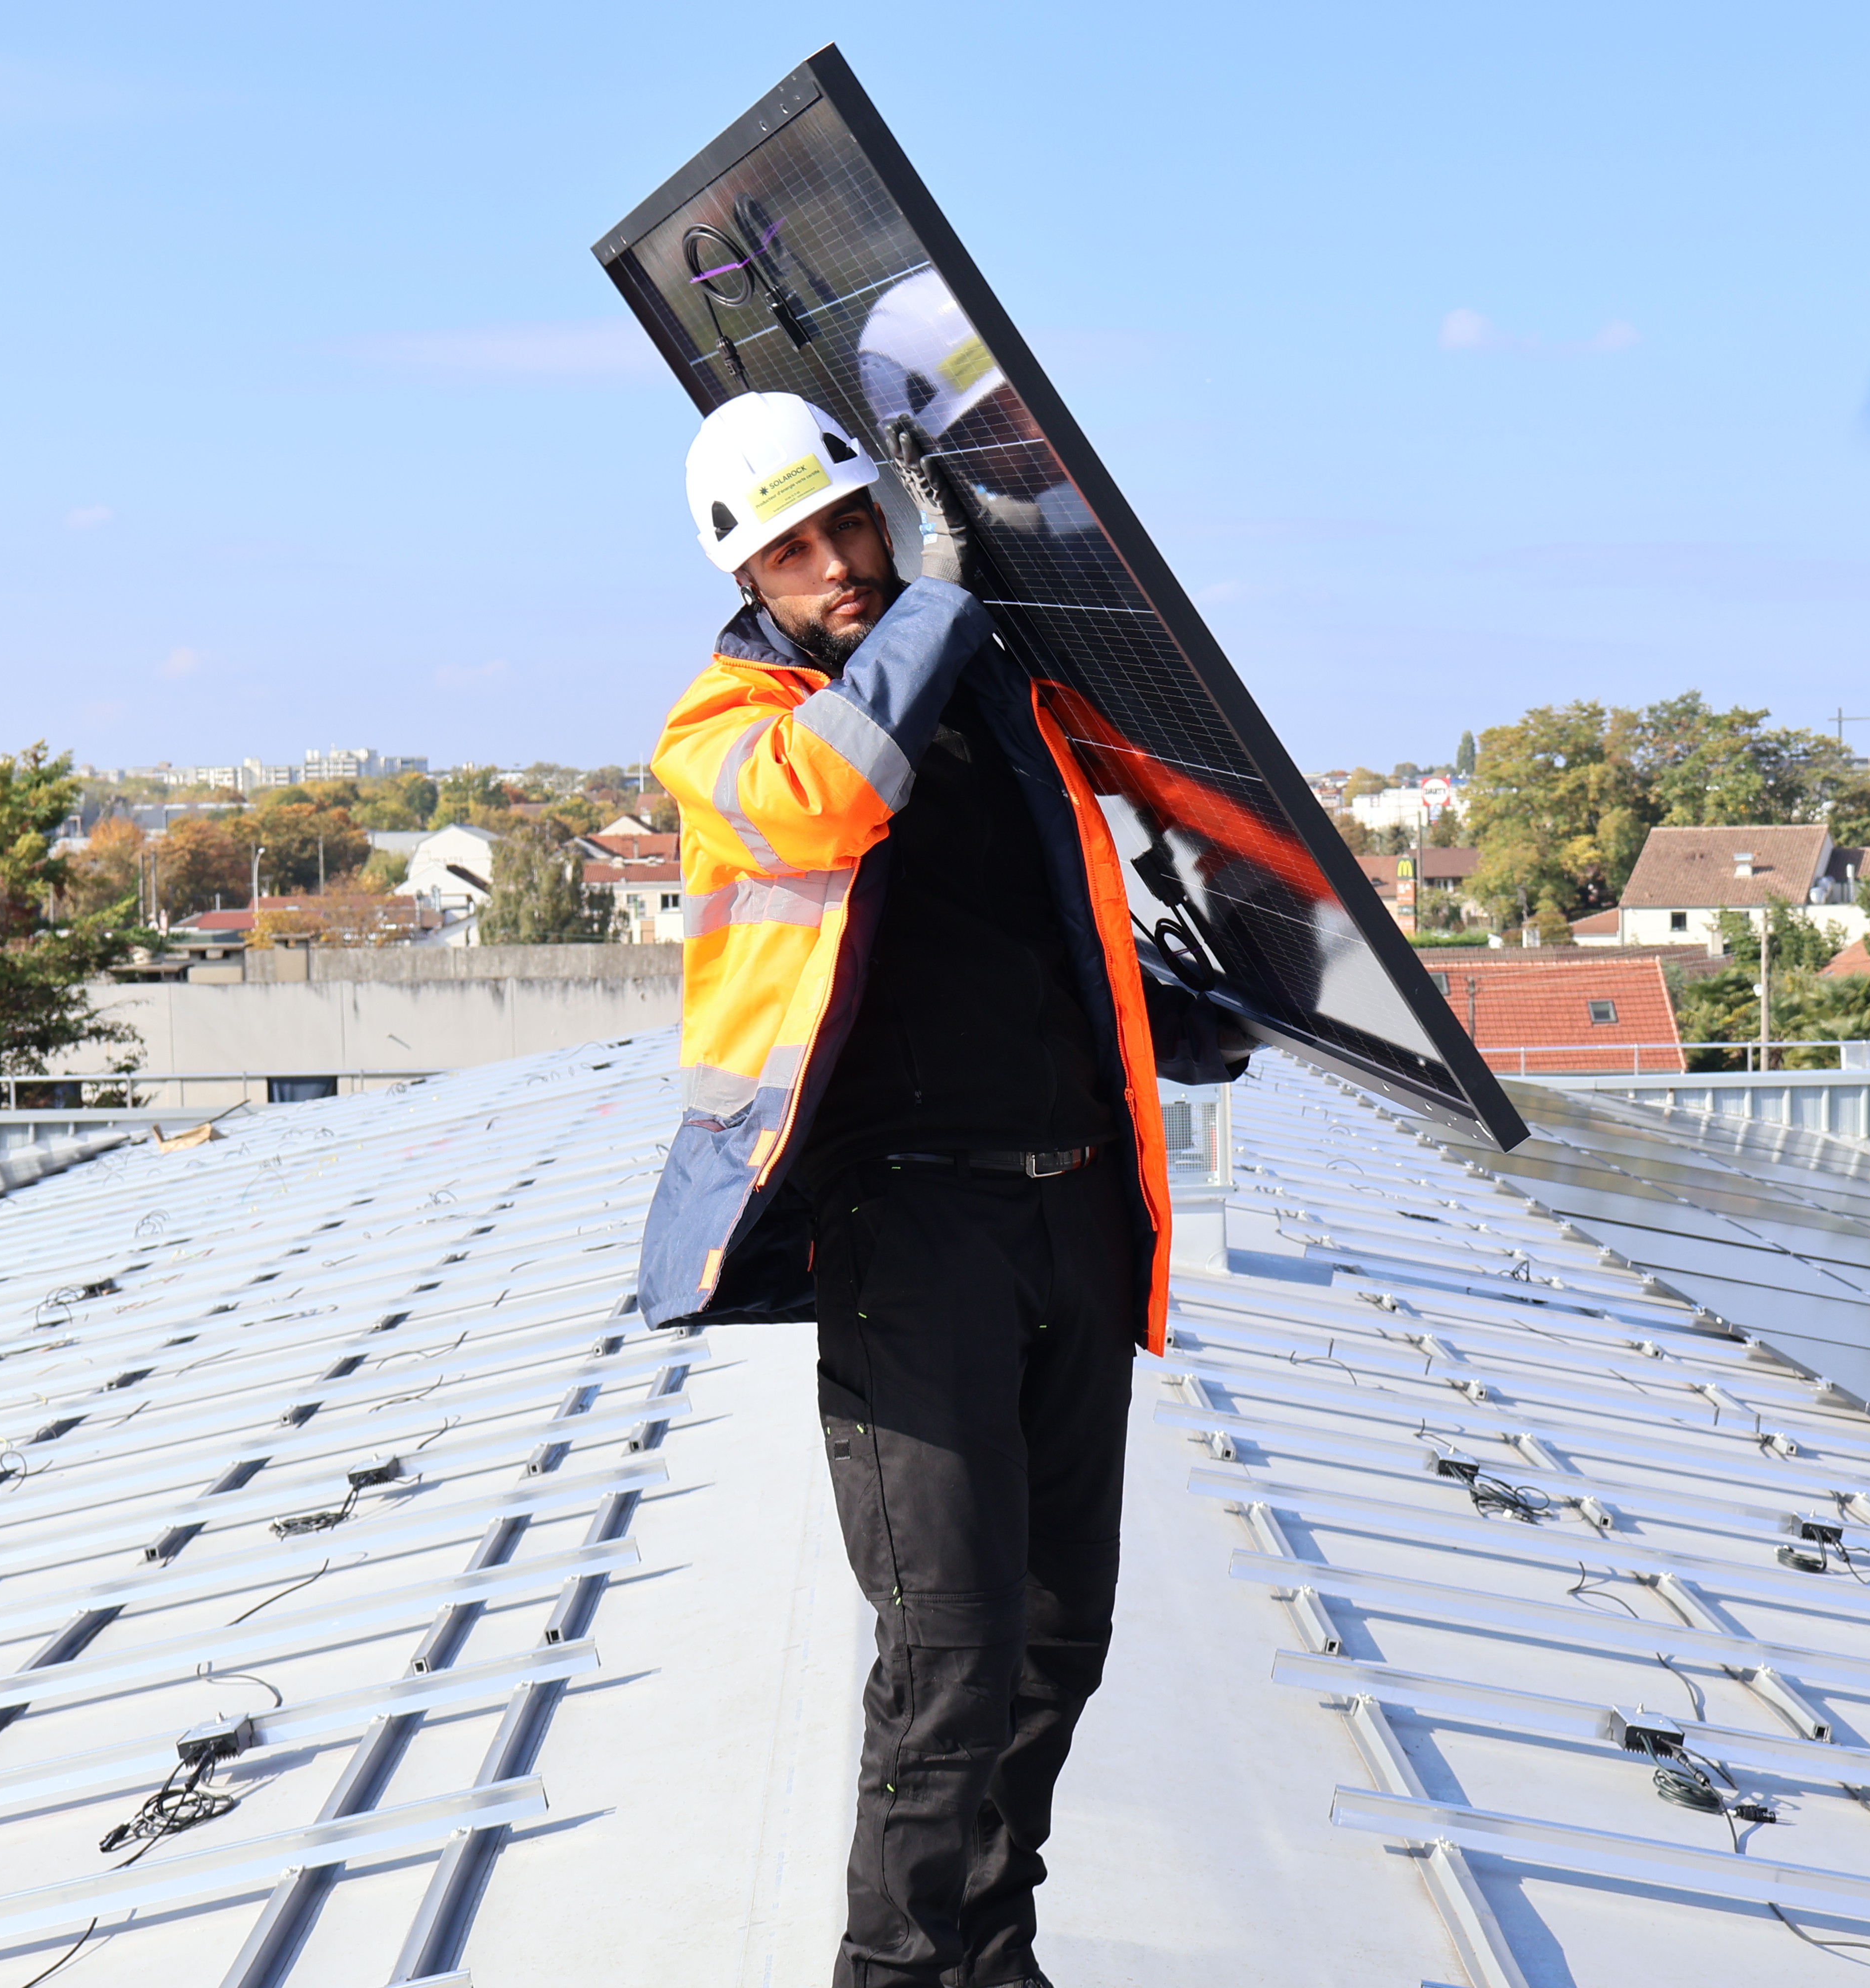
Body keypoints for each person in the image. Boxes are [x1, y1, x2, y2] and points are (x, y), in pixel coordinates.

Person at [639, 388, 1247, 1988]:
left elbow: (1046, 924)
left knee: (1058, 1635)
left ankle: (989, 1951)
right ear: (746, 578)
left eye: (854, 524)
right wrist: (943, 603)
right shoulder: (724, 733)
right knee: (947, 1648)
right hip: (908, 1232)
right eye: (796, 550)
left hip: (1072, 1209)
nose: (840, 563)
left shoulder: (1001, 697)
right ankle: (892, 1973)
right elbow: (829, 799)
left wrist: (1178, 1017)